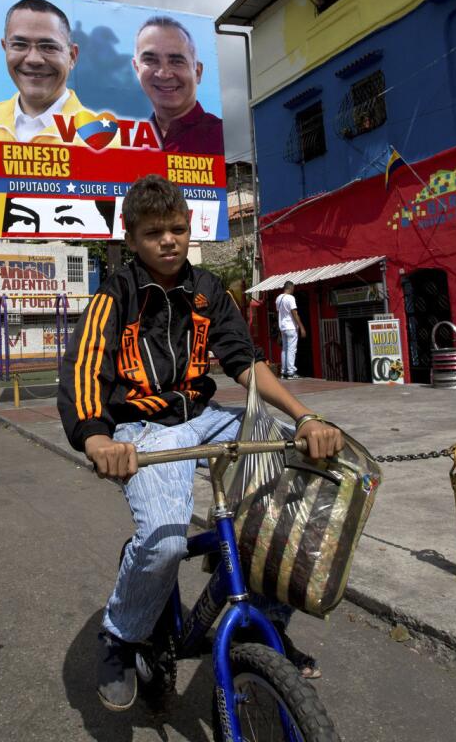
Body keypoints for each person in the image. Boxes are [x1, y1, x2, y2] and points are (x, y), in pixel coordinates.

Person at [58, 175, 343, 712]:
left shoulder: (209, 290)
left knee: (298, 471)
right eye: (153, 232)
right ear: (131, 237)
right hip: (142, 431)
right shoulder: (114, 293)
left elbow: (245, 361)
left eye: (177, 229)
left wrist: (306, 419)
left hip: (204, 417)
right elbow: (84, 368)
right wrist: (97, 437)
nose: (168, 240)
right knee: (164, 541)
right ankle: (121, 636)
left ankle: (263, 623)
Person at [0, 0, 117, 146]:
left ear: (72, 56)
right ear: (5, 48)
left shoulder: (105, 139)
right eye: (20, 45)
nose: (33, 59)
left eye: (48, 47)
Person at [131, 16, 224, 155]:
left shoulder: (220, 136)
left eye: (176, 61)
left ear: (197, 72)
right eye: (150, 60)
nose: (163, 74)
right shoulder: (126, 143)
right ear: (137, 69)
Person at [275, 281, 304, 379]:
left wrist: (279, 331)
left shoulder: (278, 298)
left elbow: (279, 314)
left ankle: (284, 372)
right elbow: (294, 313)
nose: (293, 290)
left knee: (284, 349)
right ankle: (291, 372)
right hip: (291, 327)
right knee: (291, 350)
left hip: (282, 327)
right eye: (293, 288)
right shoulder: (290, 298)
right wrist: (301, 327)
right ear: (290, 288)